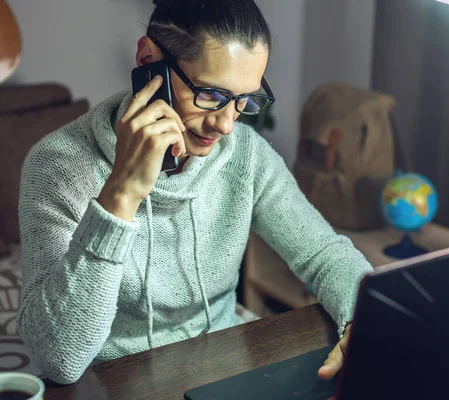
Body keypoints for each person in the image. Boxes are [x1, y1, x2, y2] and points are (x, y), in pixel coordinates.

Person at [16, 0, 373, 385]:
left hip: (221, 367)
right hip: (106, 383)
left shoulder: (244, 155)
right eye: (211, 95)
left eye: (243, 100)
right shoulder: (56, 165)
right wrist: (122, 193)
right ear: (147, 59)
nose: (226, 125)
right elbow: (60, 359)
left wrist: (364, 323)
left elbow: (323, 253)